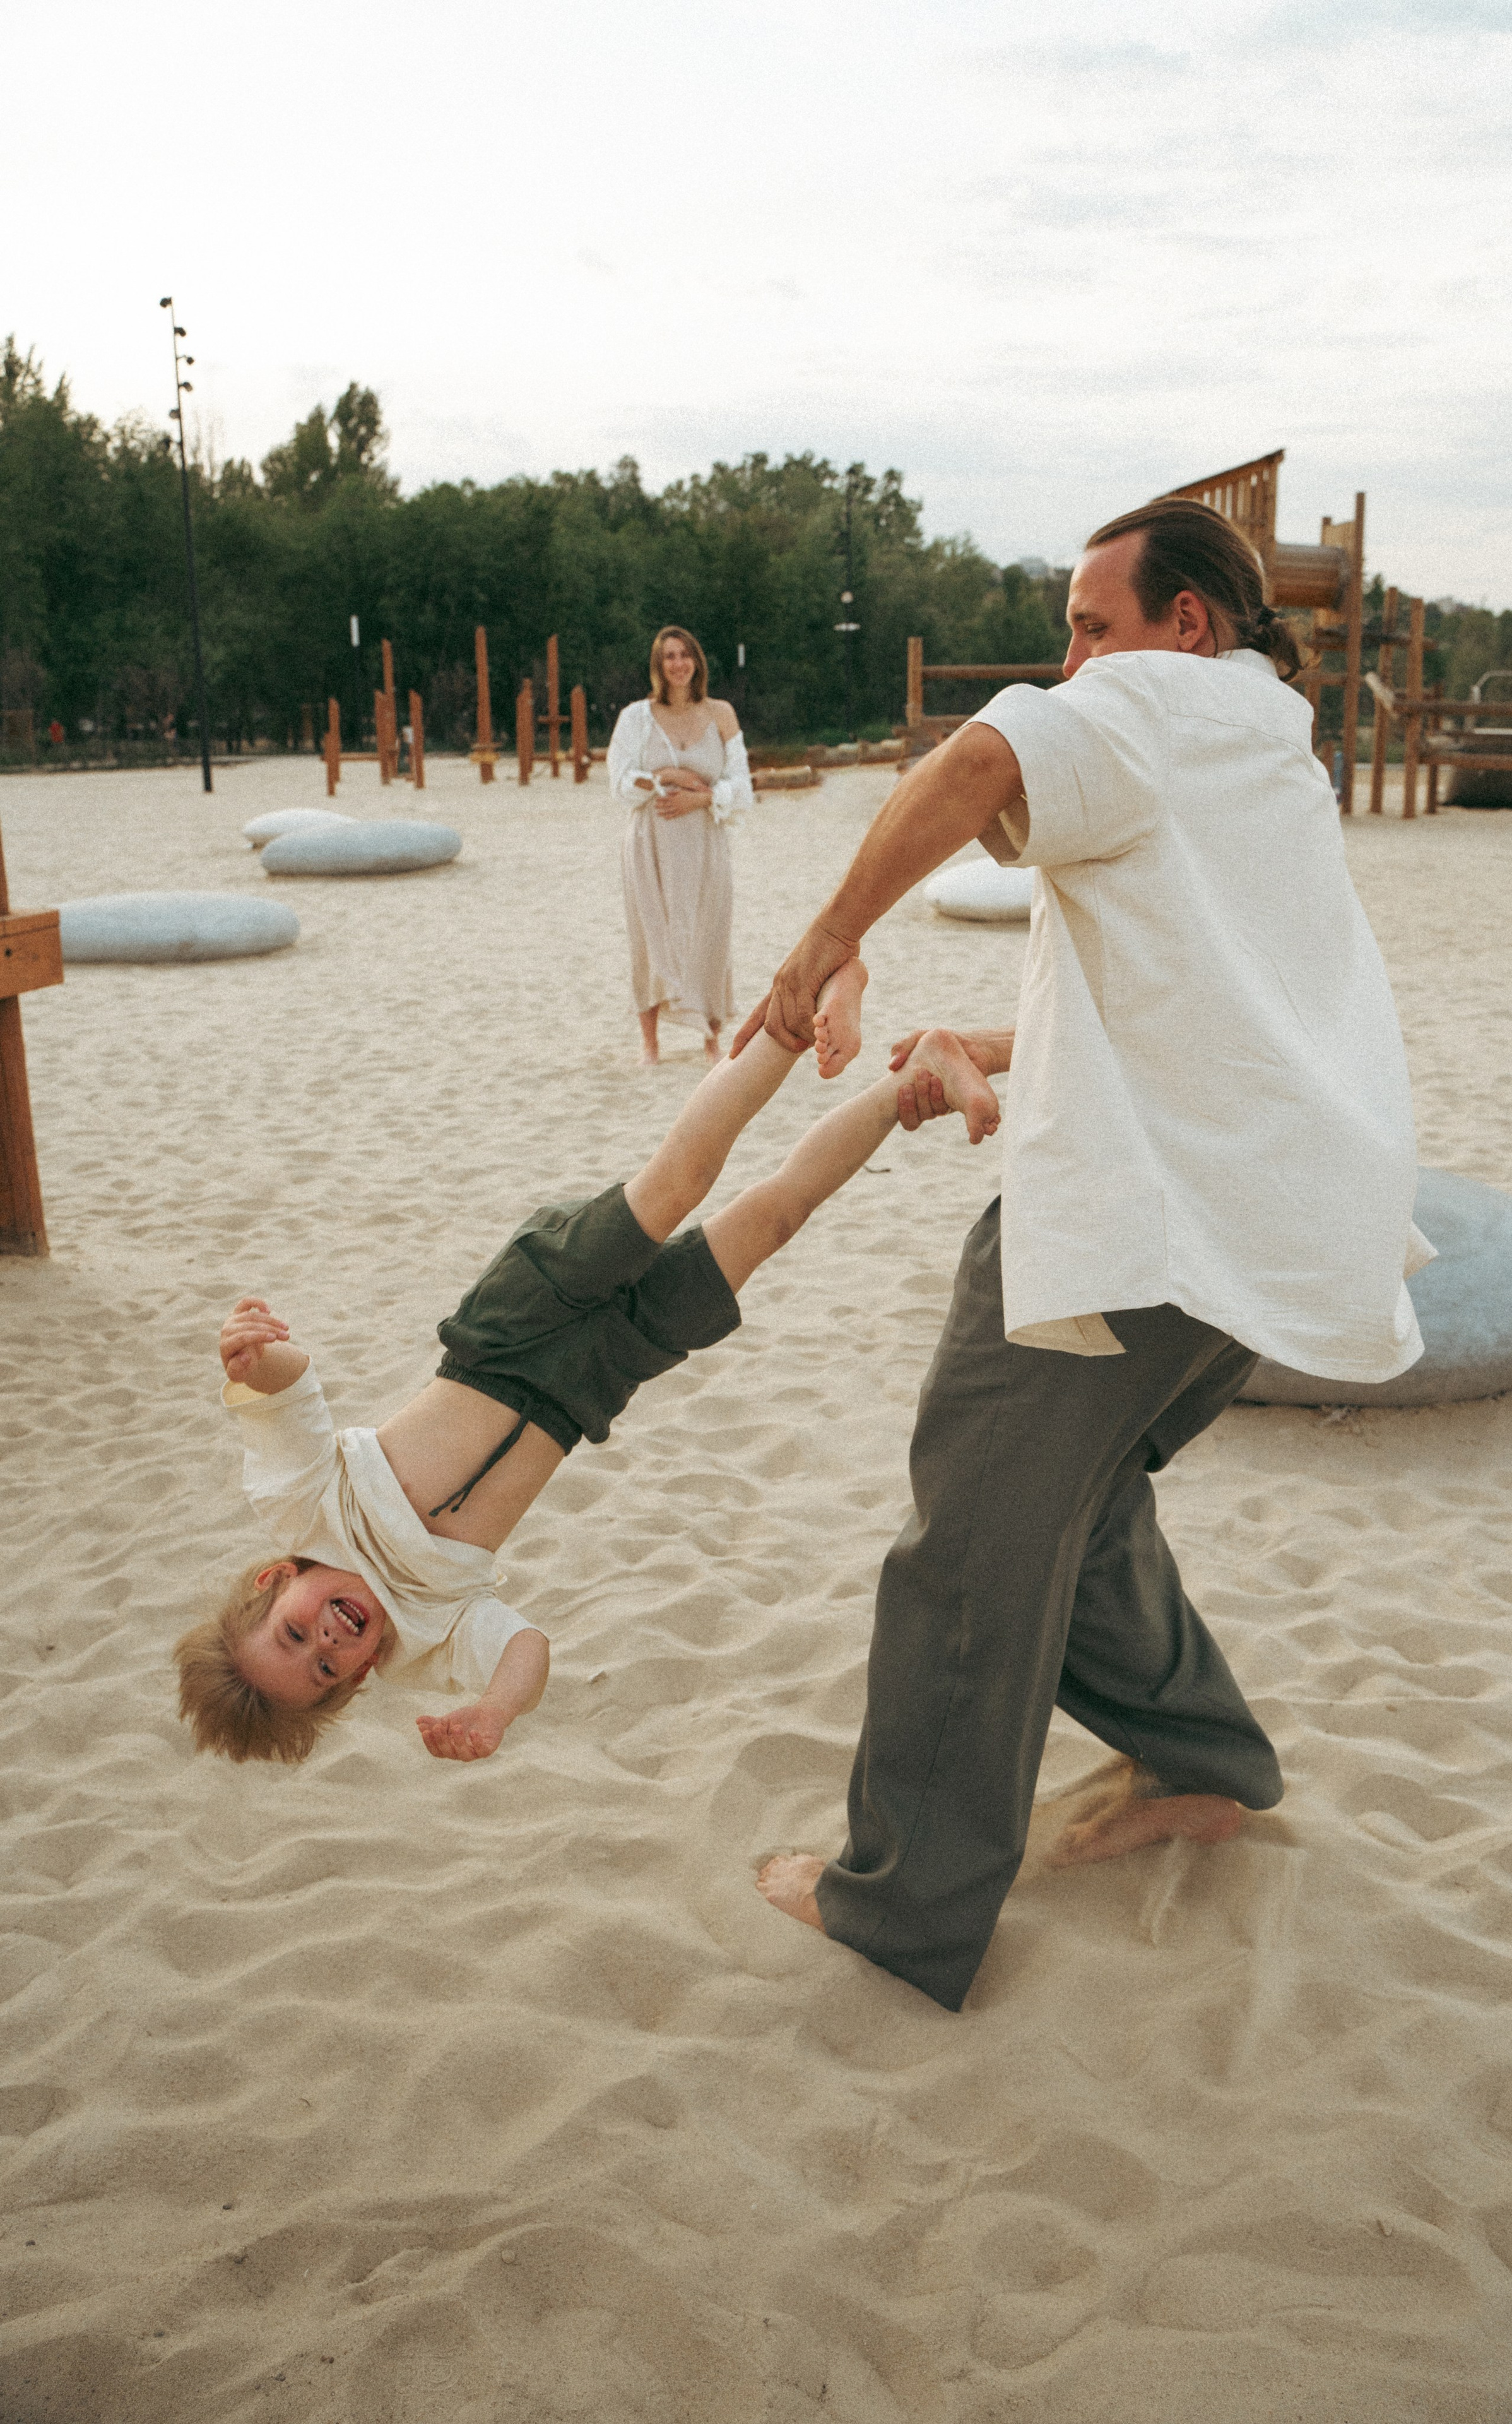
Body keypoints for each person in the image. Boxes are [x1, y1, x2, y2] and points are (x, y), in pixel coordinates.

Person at [739, 496, 1431, 2012]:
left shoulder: (1158, 702)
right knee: (1087, 1505)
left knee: (974, 1530)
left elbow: (974, 763)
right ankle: (1198, 1763)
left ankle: (902, 1904)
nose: (1071, 665)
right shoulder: (1267, 744)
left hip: (1145, 1231)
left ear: (1184, 622)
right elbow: (1210, 983)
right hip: (1272, 1220)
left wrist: (826, 940)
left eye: (1088, 628)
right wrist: (1009, 1038)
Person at [174, 963, 1002, 1766]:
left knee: (679, 1180)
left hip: (511, 1326)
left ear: (274, 1581)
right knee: (771, 1221)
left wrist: (253, 1355)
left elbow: (290, 1393)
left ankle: (800, 1004)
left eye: (294, 1631)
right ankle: (911, 1082)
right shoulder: (426, 1641)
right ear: (355, 1682)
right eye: (325, 1667)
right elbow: (525, 1649)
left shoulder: (300, 1505)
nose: (326, 1639)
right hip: (594, 1382)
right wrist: (496, 1709)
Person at [608, 626, 755, 1067]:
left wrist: (702, 798)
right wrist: (667, 778)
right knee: (650, 936)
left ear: (697, 661)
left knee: (710, 932)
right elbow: (620, 782)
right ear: (658, 665)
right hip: (650, 843)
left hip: (706, 843)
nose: (678, 664)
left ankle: (711, 1040)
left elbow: (743, 787)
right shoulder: (636, 717)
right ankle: (650, 1045)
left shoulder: (721, 713)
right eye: (669, 656)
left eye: (685, 655)